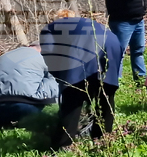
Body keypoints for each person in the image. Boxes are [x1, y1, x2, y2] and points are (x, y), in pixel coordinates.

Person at [40, 10, 122, 149]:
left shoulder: (50, 28)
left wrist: (62, 81)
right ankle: (102, 142)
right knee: (105, 97)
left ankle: (63, 145)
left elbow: (49, 55)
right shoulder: (84, 23)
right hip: (112, 43)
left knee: (72, 98)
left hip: (86, 47)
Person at [0, 46, 59, 128]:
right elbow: (56, 84)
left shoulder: (4, 56)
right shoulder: (44, 58)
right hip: (23, 108)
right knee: (53, 79)